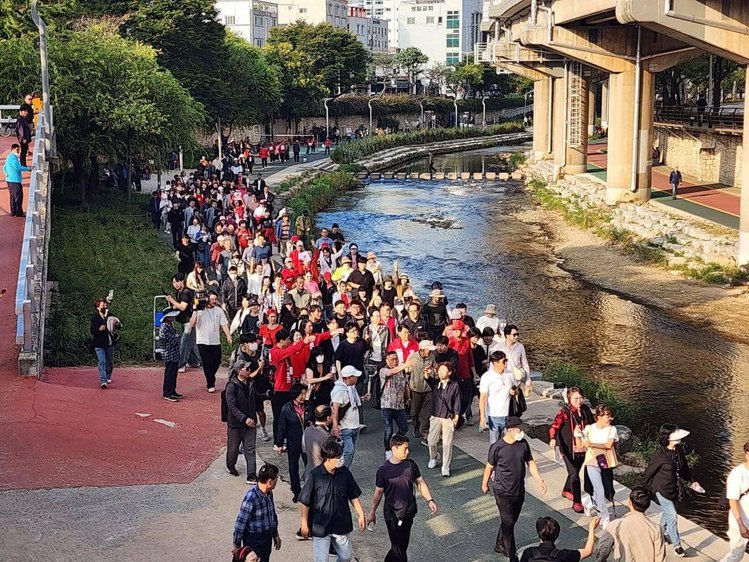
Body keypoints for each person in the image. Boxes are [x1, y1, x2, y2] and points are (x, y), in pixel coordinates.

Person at [481, 416, 547, 562]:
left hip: (518, 490)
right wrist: (484, 483)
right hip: (502, 491)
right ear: (510, 430)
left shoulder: (523, 444)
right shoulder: (497, 447)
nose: (522, 431)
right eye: (519, 429)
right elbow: (489, 467)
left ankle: (500, 543)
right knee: (508, 523)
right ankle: (512, 555)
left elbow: (530, 462)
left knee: (510, 521)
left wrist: (539, 479)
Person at [368, 435, 438, 562]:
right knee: (398, 547)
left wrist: (430, 500)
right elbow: (378, 493)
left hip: (408, 513)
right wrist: (372, 512)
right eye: (404, 449)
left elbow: (420, 483)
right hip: (391, 514)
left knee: (401, 545)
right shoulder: (383, 470)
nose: (407, 452)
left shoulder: (411, 465)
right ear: (394, 449)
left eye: (408, 449)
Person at [298, 439, 367, 562]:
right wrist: (304, 524)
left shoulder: (344, 473)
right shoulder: (315, 475)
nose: (341, 459)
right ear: (328, 458)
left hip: (341, 524)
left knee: (346, 557)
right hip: (321, 526)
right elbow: (305, 502)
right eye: (338, 457)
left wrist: (361, 514)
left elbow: (353, 495)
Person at [640, 424, 699, 558]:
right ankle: (677, 545)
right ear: (667, 437)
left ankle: (660, 534)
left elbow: (683, 467)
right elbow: (649, 472)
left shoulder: (678, 449)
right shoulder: (660, 454)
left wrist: (691, 480)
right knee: (672, 516)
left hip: (674, 488)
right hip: (661, 489)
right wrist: (640, 488)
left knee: (667, 515)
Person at [547, 387, 594, 514]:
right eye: (575, 398)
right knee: (574, 474)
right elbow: (554, 426)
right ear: (569, 399)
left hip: (582, 447)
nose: (578, 401)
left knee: (575, 471)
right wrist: (552, 439)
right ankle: (577, 502)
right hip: (567, 448)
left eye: (580, 398)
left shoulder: (586, 410)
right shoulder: (564, 412)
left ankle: (567, 490)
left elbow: (592, 425)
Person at [594, 486, 666, 562]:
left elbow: (603, 549)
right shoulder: (656, 529)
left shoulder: (615, 525)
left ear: (630, 502)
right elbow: (660, 558)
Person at [232, 464, 282, 562]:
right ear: (270, 482)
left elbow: (272, 515)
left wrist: (275, 534)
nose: (277, 480)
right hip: (254, 540)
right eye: (276, 478)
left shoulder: (269, 493)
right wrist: (237, 545)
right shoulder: (251, 498)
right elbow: (240, 523)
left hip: (267, 538)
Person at [226, 359, 265, 484]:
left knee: (250, 448)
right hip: (236, 424)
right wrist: (244, 418)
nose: (249, 371)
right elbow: (232, 407)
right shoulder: (231, 386)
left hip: (250, 422)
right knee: (233, 448)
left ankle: (251, 474)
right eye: (247, 369)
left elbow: (256, 397)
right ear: (239, 371)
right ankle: (230, 465)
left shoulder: (251, 383)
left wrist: (267, 395)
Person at [582, 404, 618, 528]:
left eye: (610, 416)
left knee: (607, 488)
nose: (610, 419)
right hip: (592, 462)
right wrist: (578, 435)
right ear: (599, 417)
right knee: (599, 490)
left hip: (606, 462)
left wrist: (591, 443)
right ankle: (604, 515)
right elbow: (582, 445)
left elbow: (608, 445)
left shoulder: (612, 429)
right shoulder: (589, 428)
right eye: (607, 416)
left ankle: (588, 501)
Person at [274, 384, 310, 503]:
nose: (303, 396)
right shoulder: (287, 409)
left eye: (305, 393)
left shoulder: (309, 406)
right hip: (293, 442)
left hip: (307, 443)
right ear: (295, 395)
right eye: (301, 394)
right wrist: (280, 444)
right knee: (293, 468)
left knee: (310, 466)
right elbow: (281, 427)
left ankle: (310, 490)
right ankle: (296, 492)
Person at [190, 291, 232, 392]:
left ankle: (210, 375)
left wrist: (228, 335)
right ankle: (210, 383)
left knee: (217, 361)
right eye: (212, 299)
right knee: (207, 362)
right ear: (207, 299)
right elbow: (192, 324)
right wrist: (195, 310)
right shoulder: (200, 310)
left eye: (215, 299)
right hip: (202, 341)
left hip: (215, 341)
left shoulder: (219, 310)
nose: (213, 301)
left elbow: (224, 324)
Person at [425, 362, 461, 477]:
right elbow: (428, 380)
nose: (440, 372)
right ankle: (433, 457)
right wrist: (426, 373)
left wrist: (457, 416)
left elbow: (457, 401)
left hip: (448, 417)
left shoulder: (454, 385)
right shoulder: (436, 383)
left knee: (447, 443)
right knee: (431, 441)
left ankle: (445, 466)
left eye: (443, 370)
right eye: (439, 370)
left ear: (449, 373)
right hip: (435, 416)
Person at [719, 439, 749, 562]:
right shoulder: (737, 474)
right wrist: (741, 525)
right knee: (736, 554)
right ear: (747, 454)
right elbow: (732, 501)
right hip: (742, 521)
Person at [378, 350, 412, 459]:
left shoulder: (401, 371)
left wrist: (408, 397)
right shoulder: (383, 370)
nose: (395, 361)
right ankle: (388, 449)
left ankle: (395, 440)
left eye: (396, 359)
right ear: (386, 360)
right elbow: (389, 373)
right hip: (387, 404)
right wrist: (405, 365)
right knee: (388, 428)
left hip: (400, 405)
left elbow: (405, 385)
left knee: (404, 428)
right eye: (392, 359)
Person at [520, 516, 600, 562]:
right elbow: (588, 551)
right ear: (557, 535)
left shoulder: (528, 553)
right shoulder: (565, 555)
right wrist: (592, 528)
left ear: (538, 535)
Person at [331, 365, 366, 469]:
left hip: (354, 425)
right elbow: (335, 409)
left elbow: (352, 401)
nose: (357, 378)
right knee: (349, 451)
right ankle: (343, 471)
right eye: (355, 376)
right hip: (345, 427)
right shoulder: (340, 390)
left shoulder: (351, 388)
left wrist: (363, 398)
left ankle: (345, 471)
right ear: (349, 377)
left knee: (351, 451)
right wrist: (335, 426)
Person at [479, 351, 517, 444]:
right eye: (504, 361)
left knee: (509, 442)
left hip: (508, 414)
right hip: (493, 415)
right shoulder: (487, 377)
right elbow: (483, 398)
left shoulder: (510, 374)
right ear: (495, 363)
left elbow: (516, 389)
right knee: (495, 443)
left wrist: (514, 391)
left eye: (506, 360)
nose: (506, 364)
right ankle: (493, 458)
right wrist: (482, 417)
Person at [409, 340, 435, 444]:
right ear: (422, 349)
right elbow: (407, 370)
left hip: (428, 389)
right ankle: (415, 426)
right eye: (428, 349)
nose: (429, 351)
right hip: (416, 389)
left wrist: (431, 371)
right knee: (415, 411)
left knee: (427, 413)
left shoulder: (432, 357)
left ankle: (425, 433)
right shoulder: (413, 357)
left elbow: (435, 369)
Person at [90, 298, 116, 389]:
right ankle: (103, 380)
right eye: (102, 305)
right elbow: (93, 331)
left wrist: (116, 324)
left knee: (110, 362)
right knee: (102, 362)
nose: (104, 307)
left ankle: (108, 376)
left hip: (109, 343)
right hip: (99, 344)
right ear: (97, 308)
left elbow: (117, 324)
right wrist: (100, 328)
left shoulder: (110, 315)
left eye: (105, 305)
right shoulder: (95, 319)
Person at [303, 405, 332, 481]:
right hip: (322, 475)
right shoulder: (327, 436)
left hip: (309, 472)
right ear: (328, 418)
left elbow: (304, 449)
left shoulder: (307, 430)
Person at [159, 308, 183, 401]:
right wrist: (177, 337)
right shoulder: (165, 327)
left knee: (173, 374)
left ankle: (172, 391)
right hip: (169, 354)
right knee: (169, 374)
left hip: (174, 354)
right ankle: (167, 393)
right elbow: (173, 340)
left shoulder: (170, 325)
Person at [3, 143, 31, 217]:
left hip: (9, 180)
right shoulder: (13, 158)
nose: (18, 151)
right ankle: (19, 212)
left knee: (12, 196)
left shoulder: (9, 157)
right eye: (17, 150)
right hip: (15, 180)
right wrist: (28, 169)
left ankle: (13, 211)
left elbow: (4, 168)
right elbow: (18, 167)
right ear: (12, 149)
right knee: (18, 196)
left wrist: (6, 173)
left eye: (19, 149)